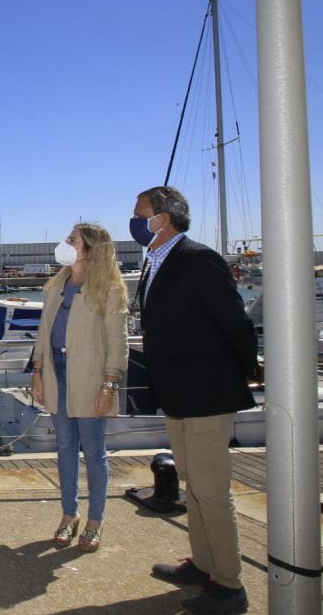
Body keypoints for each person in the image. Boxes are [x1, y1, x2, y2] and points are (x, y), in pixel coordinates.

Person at [133, 186, 255, 615]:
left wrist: (240, 374)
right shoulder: (155, 263)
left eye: (139, 214)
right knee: (194, 488)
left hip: (207, 392)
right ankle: (204, 564)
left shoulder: (198, 258)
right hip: (178, 394)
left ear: (162, 219)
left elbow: (235, 324)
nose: (134, 222)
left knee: (212, 491)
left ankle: (228, 585)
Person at [30, 223, 128, 553]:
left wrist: (109, 385)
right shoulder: (55, 287)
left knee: (95, 454)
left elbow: (117, 343)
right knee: (65, 450)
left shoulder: (109, 290)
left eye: (72, 239)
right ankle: (69, 514)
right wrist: (37, 371)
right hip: (56, 375)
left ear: (89, 249)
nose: (66, 243)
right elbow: (44, 334)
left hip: (89, 380)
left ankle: (95, 521)